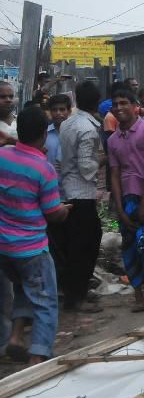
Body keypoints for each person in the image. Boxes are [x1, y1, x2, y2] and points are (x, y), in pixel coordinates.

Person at [0, 106, 72, 366]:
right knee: (45, 303)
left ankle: (16, 337)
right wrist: (64, 211)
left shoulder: (3, 156)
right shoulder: (44, 169)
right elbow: (53, 213)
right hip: (31, 248)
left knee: (22, 290)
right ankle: (37, 358)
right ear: (44, 134)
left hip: (5, 248)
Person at [107, 88, 144, 312]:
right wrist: (120, 208)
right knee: (130, 247)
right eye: (116, 104)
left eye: (124, 103)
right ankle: (138, 294)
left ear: (135, 106)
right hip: (126, 198)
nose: (119, 108)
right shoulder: (113, 140)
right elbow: (114, 173)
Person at [57, 81, 105, 314]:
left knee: (74, 245)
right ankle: (77, 297)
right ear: (97, 102)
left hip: (67, 188)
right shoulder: (88, 128)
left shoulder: (67, 123)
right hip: (81, 193)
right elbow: (87, 168)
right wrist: (105, 159)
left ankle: (73, 293)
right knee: (85, 245)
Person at [45, 94, 72, 171]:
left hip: (69, 181)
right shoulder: (44, 134)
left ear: (69, 111)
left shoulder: (76, 133)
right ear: (50, 112)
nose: (58, 113)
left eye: (62, 109)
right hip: (47, 180)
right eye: (54, 110)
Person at [0, 81, 17, 146]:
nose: (8, 100)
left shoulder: (22, 121)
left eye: (11, 96)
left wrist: (11, 141)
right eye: (2, 97)